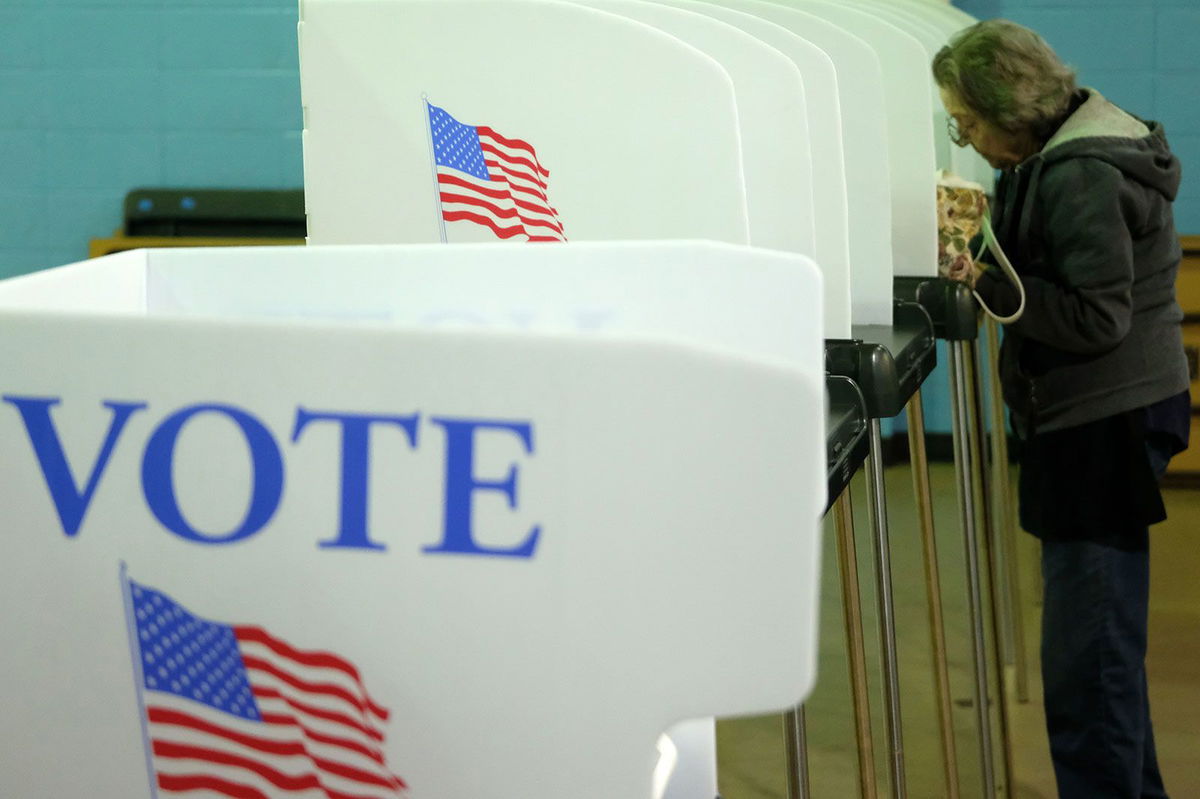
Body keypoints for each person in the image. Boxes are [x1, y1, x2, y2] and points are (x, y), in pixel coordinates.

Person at [932, 19, 1190, 799]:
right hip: (1087, 420)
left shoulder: (1080, 173)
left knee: (1089, 664)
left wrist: (981, 278)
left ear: (1009, 108)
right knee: (1099, 653)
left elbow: (1094, 316)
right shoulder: (1052, 149)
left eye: (968, 121)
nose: (965, 136)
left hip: (1101, 426)